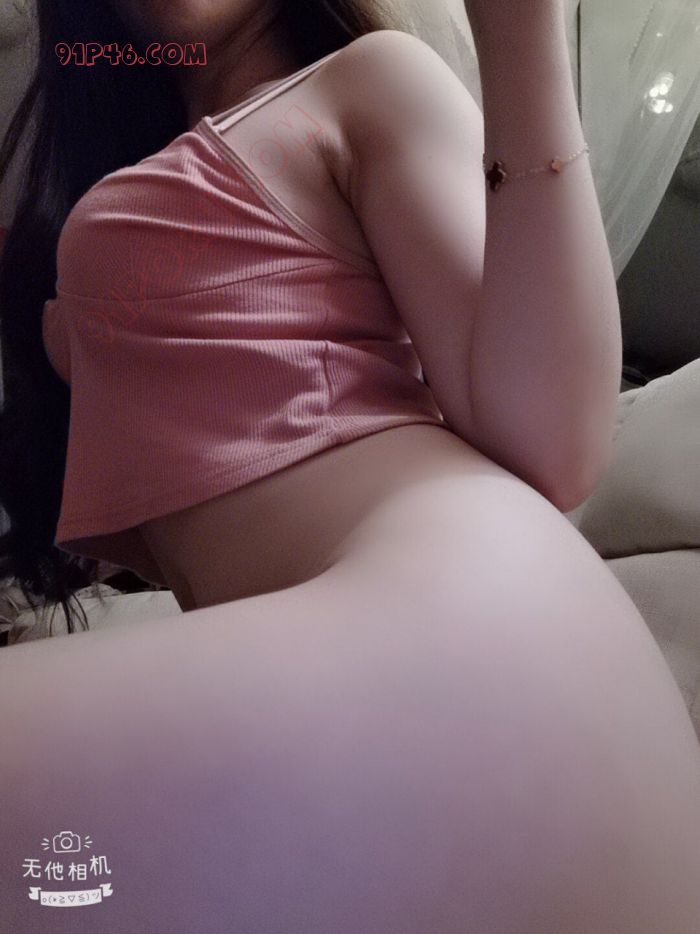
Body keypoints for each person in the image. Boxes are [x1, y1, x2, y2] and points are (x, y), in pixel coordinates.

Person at [1, 1, 700, 931]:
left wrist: (520, 31)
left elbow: (554, 444)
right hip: (435, 681)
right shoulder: (134, 169)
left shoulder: (365, 79)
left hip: (470, 631)